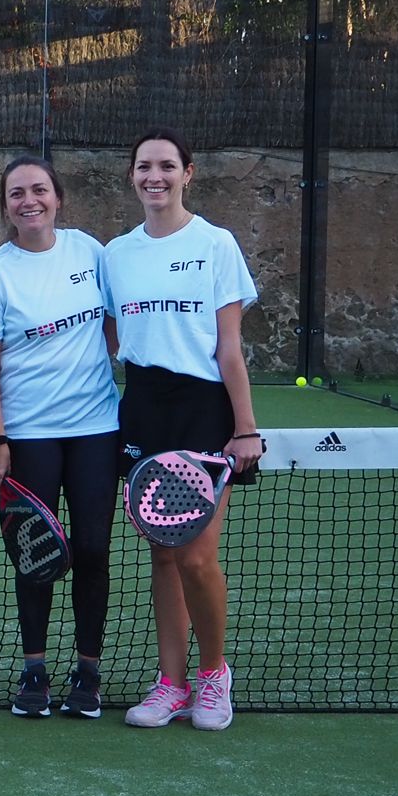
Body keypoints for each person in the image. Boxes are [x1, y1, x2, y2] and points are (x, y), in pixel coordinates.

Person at [104, 128, 262, 732]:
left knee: (196, 556)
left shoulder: (216, 244)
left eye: (167, 166)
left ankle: (213, 675)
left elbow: (229, 347)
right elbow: (116, 338)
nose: (155, 176)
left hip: (204, 409)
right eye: (144, 166)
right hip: (144, 406)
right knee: (163, 556)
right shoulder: (117, 254)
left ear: (188, 174)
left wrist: (244, 427)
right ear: (132, 175)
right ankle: (171, 684)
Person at [0, 157, 121, 719]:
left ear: (58, 197)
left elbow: (113, 325)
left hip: (97, 431)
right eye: (16, 194)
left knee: (94, 550)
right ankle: (34, 671)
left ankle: (88, 672)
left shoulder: (91, 253)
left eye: (39, 191)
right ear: (4, 206)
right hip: (28, 435)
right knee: (36, 555)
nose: (29, 201)